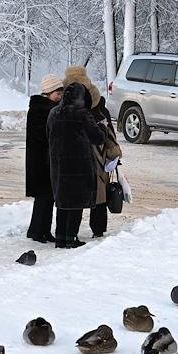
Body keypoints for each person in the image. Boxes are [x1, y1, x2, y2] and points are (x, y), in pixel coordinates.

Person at [64, 65, 122, 238]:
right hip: (98, 152)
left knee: (76, 194)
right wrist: (113, 152)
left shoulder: (66, 96)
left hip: (75, 153)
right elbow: (108, 130)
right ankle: (98, 229)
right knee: (99, 193)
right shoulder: (96, 97)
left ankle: (70, 232)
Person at [47, 81, 105, 249]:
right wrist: (103, 128)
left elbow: (48, 135)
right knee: (76, 204)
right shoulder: (82, 114)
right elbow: (98, 138)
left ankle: (60, 238)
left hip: (58, 165)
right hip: (79, 167)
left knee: (63, 202)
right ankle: (70, 238)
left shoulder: (53, 113)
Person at [26, 74, 64, 242]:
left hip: (46, 159)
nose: (60, 95)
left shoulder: (49, 107)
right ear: (48, 92)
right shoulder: (40, 109)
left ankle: (44, 230)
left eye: (61, 91)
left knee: (48, 198)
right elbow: (42, 135)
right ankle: (36, 231)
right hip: (42, 160)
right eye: (57, 92)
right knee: (44, 197)